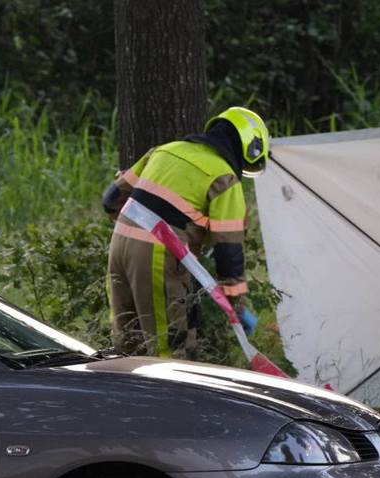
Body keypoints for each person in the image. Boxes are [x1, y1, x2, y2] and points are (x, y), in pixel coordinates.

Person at [101, 106, 270, 358]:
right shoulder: (224, 179)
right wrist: (235, 308)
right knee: (170, 352)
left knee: (126, 346)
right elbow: (229, 252)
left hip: (119, 246)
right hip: (158, 256)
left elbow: (110, 200)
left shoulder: (164, 150)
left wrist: (138, 226)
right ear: (248, 146)